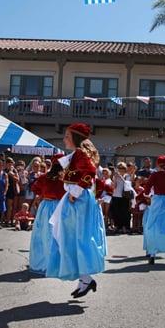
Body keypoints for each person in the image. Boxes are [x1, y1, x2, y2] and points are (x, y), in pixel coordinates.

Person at [47, 123, 107, 299]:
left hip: (78, 200)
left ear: (75, 138)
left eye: (67, 135)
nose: (64, 138)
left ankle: (86, 279)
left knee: (75, 237)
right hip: (75, 198)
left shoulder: (80, 154)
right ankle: (84, 280)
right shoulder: (75, 155)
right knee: (71, 237)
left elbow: (90, 172)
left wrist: (75, 192)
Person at [29, 154, 65, 273]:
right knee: (58, 235)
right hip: (60, 207)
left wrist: (43, 194)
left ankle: (43, 263)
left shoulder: (44, 177)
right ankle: (57, 264)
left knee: (43, 234)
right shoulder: (64, 178)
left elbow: (35, 188)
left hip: (46, 206)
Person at [110, 162, 132, 234]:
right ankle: (117, 226)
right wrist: (115, 178)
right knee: (116, 212)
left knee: (125, 212)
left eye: (122, 168)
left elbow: (128, 185)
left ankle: (124, 227)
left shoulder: (127, 176)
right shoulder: (115, 176)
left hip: (124, 196)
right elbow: (114, 186)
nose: (121, 169)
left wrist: (121, 177)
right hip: (116, 195)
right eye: (119, 168)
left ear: (125, 169)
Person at [4, 157, 20, 226]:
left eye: (11, 163)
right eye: (9, 163)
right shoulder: (4, 170)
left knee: (11, 206)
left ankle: (10, 221)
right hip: (4, 188)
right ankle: (5, 220)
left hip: (12, 189)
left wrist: (11, 174)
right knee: (6, 206)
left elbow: (17, 179)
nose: (10, 165)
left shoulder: (14, 170)